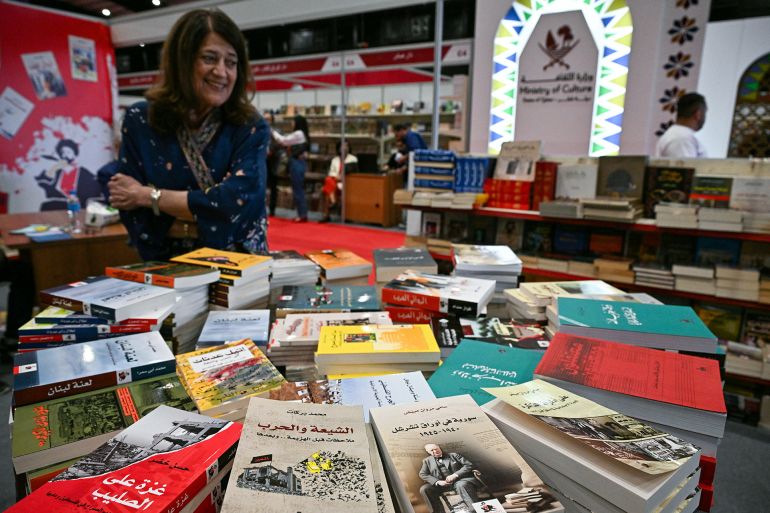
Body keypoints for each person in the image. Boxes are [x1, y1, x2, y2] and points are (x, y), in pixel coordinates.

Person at [108, 9, 269, 260]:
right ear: (182, 61)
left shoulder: (248, 125)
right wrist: (205, 210)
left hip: (235, 264)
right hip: (163, 261)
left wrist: (147, 195)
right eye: (209, 58)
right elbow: (126, 203)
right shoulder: (142, 119)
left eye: (231, 62)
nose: (221, 72)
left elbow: (235, 203)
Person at [35, 138, 101, 211]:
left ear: (74, 154)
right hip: (62, 202)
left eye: (68, 152)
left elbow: (91, 191)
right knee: (45, 206)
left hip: (77, 204)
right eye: (63, 153)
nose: (65, 155)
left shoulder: (83, 172)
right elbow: (52, 190)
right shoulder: (59, 171)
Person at [419, 443, 479, 513]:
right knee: (425, 489)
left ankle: (474, 510)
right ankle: (437, 511)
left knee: (462, 485)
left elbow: (469, 465)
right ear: (428, 452)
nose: (435, 451)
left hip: (459, 481)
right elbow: (423, 474)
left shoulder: (454, 455)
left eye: (436, 449)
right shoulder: (427, 461)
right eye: (432, 450)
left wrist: (455, 475)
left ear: (439, 447)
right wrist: (437, 482)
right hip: (442, 485)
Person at [272, 115, 310, 222]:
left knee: (298, 189)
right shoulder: (302, 134)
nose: (292, 123)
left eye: (294, 121)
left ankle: (302, 215)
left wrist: (272, 131)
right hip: (299, 163)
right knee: (298, 188)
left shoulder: (298, 133)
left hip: (296, 163)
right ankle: (302, 213)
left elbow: (283, 140)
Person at [655, 93, 707, 158]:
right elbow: (687, 167)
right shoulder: (682, 139)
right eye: (704, 113)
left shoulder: (678, 135)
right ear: (698, 114)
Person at [319, 140, 357, 223]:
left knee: (327, 187)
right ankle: (333, 202)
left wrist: (340, 178)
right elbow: (331, 173)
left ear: (349, 147)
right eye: (342, 146)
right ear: (338, 148)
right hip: (335, 181)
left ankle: (328, 213)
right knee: (328, 180)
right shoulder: (335, 160)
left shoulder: (353, 159)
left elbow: (353, 173)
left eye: (346, 146)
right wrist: (337, 178)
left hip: (347, 183)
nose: (344, 148)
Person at [263, 111, 283, 217]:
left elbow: (280, 144)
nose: (266, 121)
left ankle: (272, 209)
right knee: (262, 186)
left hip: (273, 162)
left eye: (268, 119)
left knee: (273, 187)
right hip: (262, 162)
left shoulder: (277, 131)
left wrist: (272, 151)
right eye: (265, 119)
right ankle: (261, 208)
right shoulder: (260, 130)